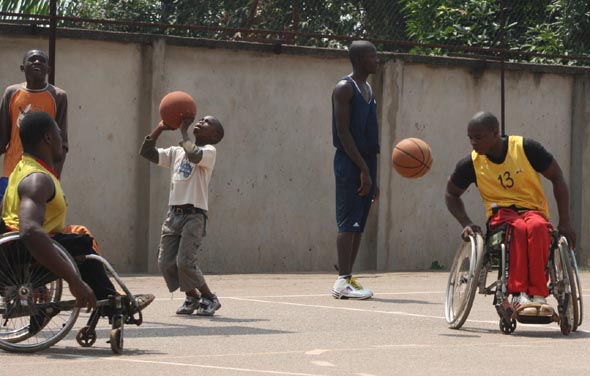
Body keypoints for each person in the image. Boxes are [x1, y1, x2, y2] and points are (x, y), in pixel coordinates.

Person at [0, 111, 154, 315]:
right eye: (58, 134)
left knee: (76, 234)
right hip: (21, 251)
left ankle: (110, 297)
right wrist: (74, 280)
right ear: (47, 138)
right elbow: (29, 230)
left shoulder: (20, 169)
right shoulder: (38, 179)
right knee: (83, 241)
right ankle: (111, 301)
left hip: (14, 248)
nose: (63, 142)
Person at [445, 111, 576, 316]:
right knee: (518, 228)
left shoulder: (526, 148)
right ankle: (517, 293)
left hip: (533, 210)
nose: (473, 142)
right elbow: (451, 194)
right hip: (501, 214)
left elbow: (557, 177)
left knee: (538, 227)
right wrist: (466, 222)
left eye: (478, 137)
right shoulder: (471, 163)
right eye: (470, 137)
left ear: (495, 133)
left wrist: (566, 221)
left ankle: (538, 295)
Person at [140, 113, 224, 316]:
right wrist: (160, 128)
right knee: (165, 262)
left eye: (208, 123)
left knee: (185, 261)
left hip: (194, 215)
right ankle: (192, 297)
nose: (201, 122)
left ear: (214, 136)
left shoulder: (208, 151)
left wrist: (183, 131)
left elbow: (194, 155)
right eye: (201, 119)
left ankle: (210, 298)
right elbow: (147, 152)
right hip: (173, 214)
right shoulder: (177, 151)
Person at [330, 40, 380, 300]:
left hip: (366, 163)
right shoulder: (344, 88)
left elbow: (370, 138)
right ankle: (341, 282)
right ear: (360, 60)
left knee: (358, 224)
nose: (377, 60)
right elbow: (343, 132)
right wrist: (362, 168)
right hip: (350, 162)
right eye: (373, 57)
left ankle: (348, 277)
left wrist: (373, 174)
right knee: (348, 221)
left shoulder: (368, 88)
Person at [0, 49, 68, 188]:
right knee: (9, 210)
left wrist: (55, 177)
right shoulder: (12, 93)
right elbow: (2, 137)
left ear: (48, 69)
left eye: (42, 60)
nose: (37, 62)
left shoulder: (58, 96)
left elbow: (62, 144)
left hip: (41, 175)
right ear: (22, 67)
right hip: (12, 172)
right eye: (32, 59)